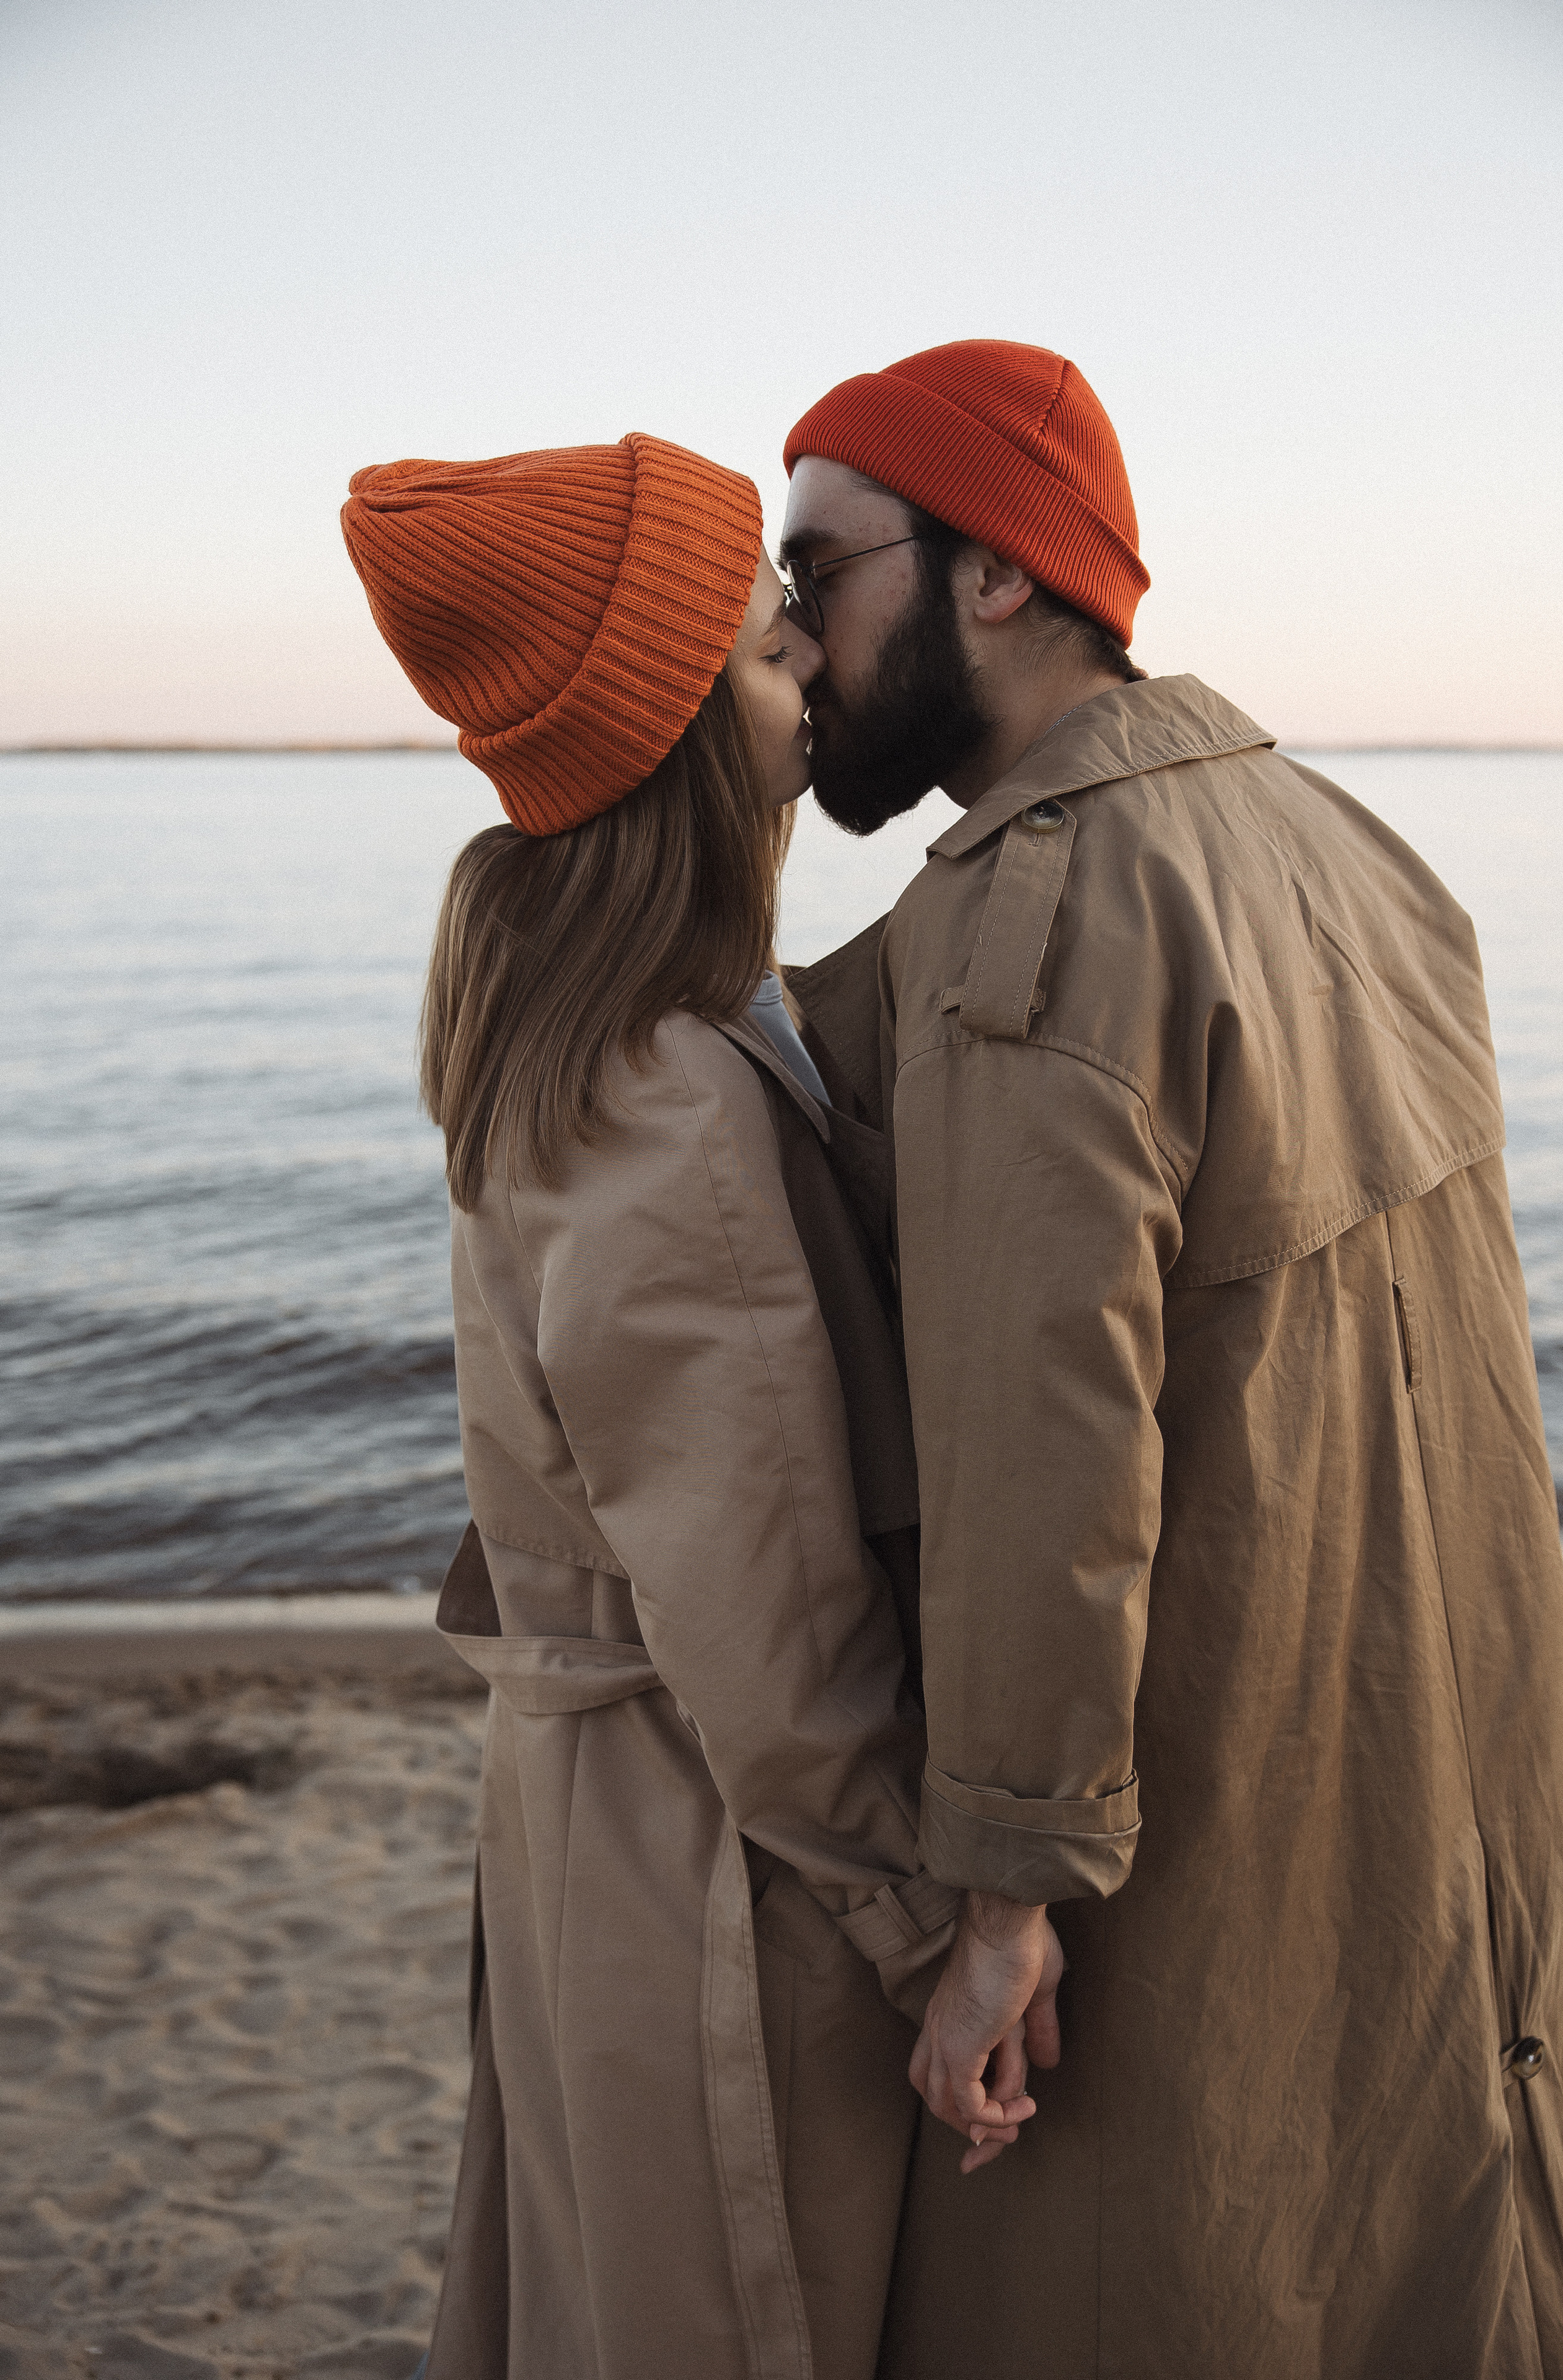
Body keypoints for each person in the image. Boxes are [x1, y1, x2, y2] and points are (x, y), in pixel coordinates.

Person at [775, 340, 1563, 2378]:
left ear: (1000, 577)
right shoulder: (1356, 852)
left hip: (1191, 1814)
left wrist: (1008, 1896)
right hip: (1439, 1777)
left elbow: (1044, 1448)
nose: (791, 629)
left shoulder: (1043, 911)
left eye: (820, 568)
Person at [340, 434, 970, 2380]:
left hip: (594, 1831)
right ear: (680, 731)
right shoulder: (662, 1093)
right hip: (721, 1867)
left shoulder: (567, 1010)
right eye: (776, 665)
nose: (816, 683)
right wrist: (922, 1928)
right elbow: (758, 1601)